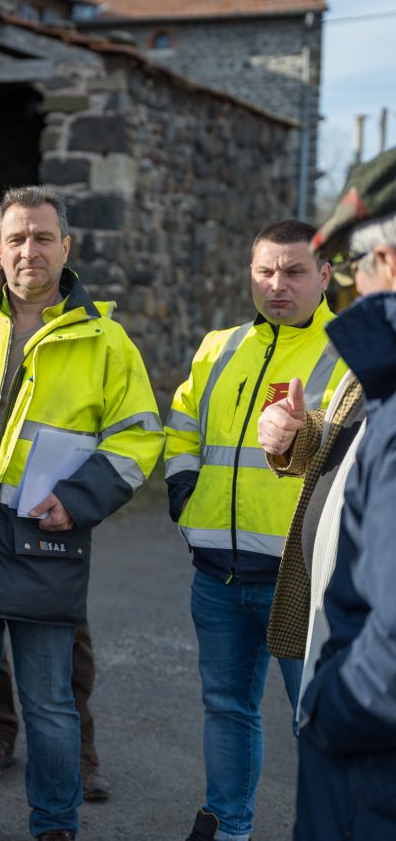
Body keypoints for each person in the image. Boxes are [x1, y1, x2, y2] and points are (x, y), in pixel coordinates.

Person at [0, 185, 162, 841]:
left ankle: (54, 824)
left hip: (46, 539)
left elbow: (139, 435)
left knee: (50, 703)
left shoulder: (105, 339)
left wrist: (79, 500)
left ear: (66, 247)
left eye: (43, 238)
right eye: (16, 238)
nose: (28, 251)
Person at [163, 219, 347, 841]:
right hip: (217, 572)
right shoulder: (219, 346)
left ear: (325, 275)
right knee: (227, 708)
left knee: (319, 722)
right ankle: (228, 825)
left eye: (294, 271)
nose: (277, 285)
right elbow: (182, 421)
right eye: (265, 271)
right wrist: (187, 494)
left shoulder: (350, 353)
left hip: (305, 577)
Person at [286, 149, 396, 839]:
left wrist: (330, 708)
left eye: (359, 268)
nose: (355, 290)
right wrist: (299, 441)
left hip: (371, 767)